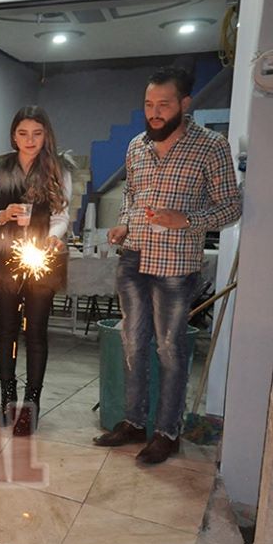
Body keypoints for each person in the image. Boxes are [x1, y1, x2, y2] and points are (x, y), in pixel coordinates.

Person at [94, 66, 241, 464]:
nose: (154, 113)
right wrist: (124, 223)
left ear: (184, 104)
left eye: (163, 104)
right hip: (133, 258)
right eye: (148, 105)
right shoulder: (137, 146)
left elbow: (231, 206)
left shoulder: (211, 146)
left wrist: (187, 219)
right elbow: (131, 195)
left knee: (170, 349)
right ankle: (133, 422)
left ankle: (167, 432)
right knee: (132, 342)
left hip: (175, 265)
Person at [0, 106, 72, 436]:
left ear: (46, 135)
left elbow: (61, 216)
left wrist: (52, 237)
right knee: (6, 330)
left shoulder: (58, 168)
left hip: (41, 258)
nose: (30, 140)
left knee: (36, 332)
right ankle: (7, 399)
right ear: (13, 135)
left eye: (37, 133)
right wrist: (3, 215)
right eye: (23, 133)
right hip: (2, 257)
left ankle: (32, 404)